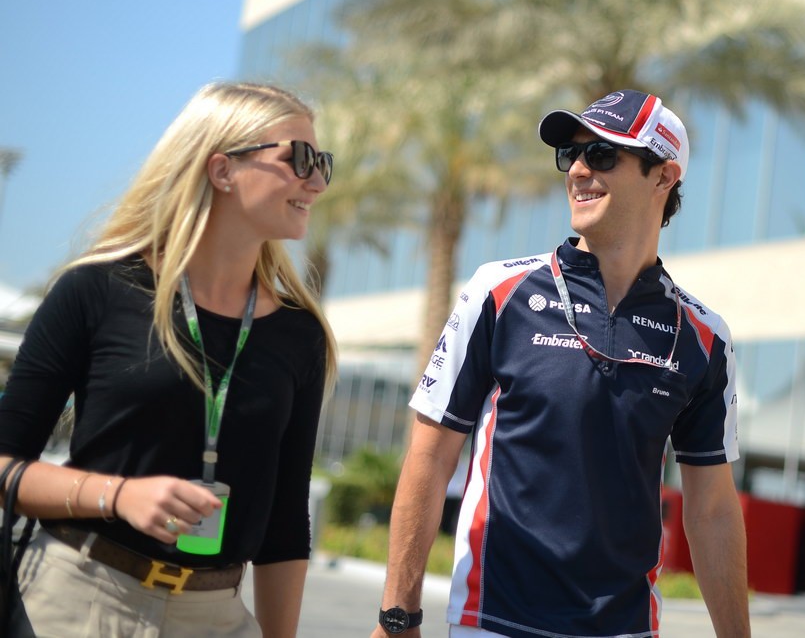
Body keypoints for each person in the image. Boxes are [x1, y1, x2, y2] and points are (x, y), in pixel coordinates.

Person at [372, 90, 749, 638]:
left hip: (625, 629)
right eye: (569, 154)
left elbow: (712, 509)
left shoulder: (705, 337)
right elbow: (429, 458)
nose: (577, 170)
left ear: (663, 177)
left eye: (601, 155)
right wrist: (397, 613)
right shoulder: (498, 292)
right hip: (492, 620)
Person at [0, 82, 337, 637]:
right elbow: (6, 463)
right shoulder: (95, 291)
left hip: (216, 618)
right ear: (222, 169)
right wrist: (119, 496)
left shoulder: (300, 335)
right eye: (299, 158)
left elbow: (284, 525)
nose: (317, 181)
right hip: (79, 601)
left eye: (322, 162)